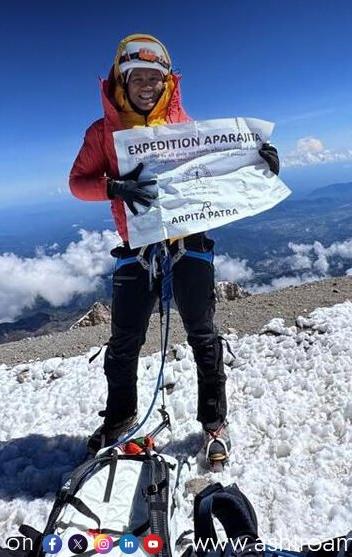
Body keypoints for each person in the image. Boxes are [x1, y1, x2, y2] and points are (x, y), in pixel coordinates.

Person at [68, 34, 279, 466]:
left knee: (202, 334)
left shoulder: (185, 123)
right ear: (120, 81)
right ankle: (120, 420)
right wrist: (112, 186)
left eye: (154, 77)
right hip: (138, 245)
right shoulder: (102, 132)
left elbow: (218, 163)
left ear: (166, 81)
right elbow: (78, 182)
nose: (146, 85)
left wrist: (258, 158)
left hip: (189, 240)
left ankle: (214, 424)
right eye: (136, 77)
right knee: (124, 342)